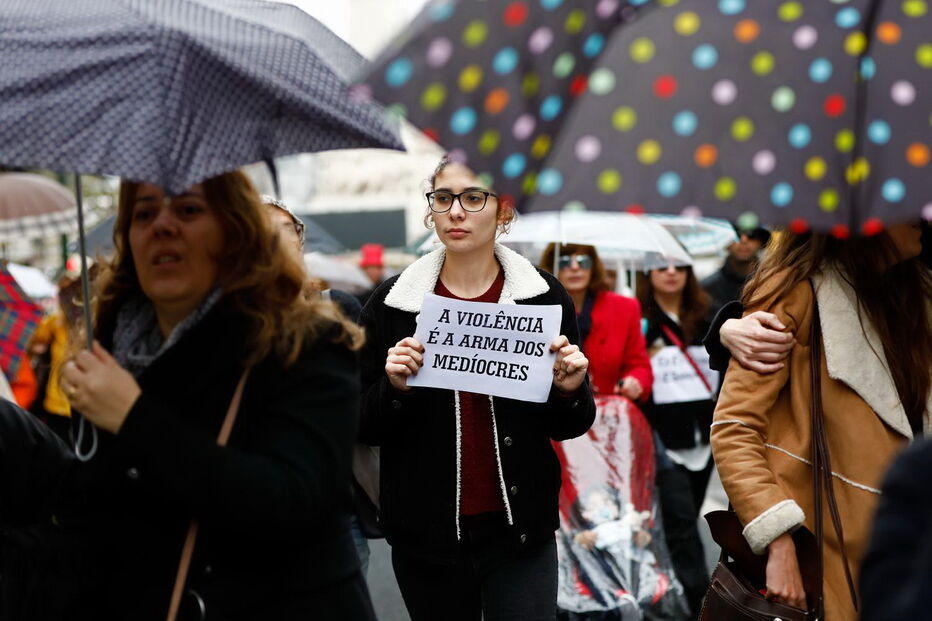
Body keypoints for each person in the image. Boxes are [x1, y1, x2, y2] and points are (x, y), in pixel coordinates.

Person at [0, 171, 376, 620]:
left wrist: (133, 415)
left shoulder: (310, 341)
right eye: (143, 213)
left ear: (234, 230)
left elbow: (290, 503)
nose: (162, 225)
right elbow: (98, 526)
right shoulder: (111, 352)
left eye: (188, 209)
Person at [358, 157, 596, 620]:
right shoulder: (391, 304)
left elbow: (570, 424)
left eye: (473, 198)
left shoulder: (544, 297)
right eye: (443, 199)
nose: (455, 212)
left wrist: (568, 390)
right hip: (425, 539)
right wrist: (393, 388)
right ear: (431, 210)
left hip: (520, 533)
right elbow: (362, 422)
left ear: (503, 210)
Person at [711, 220, 931, 619]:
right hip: (830, 552)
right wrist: (778, 540)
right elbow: (734, 429)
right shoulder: (796, 291)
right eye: (907, 203)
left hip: (910, 556)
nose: (922, 215)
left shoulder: (917, 291)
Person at [539, 244, 690, 618]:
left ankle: (667, 594)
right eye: (564, 261)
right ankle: (580, 599)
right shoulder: (536, 308)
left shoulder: (624, 308)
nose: (574, 267)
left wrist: (636, 382)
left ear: (596, 266)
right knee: (576, 519)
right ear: (550, 266)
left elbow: (641, 365)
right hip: (564, 431)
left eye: (583, 260)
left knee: (665, 507)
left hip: (618, 429)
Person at [636, 262, 717, 618]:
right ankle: (701, 599)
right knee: (682, 521)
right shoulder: (641, 319)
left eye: (679, 267)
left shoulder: (708, 315)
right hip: (664, 440)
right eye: (661, 267)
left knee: (685, 517)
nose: (670, 273)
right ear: (648, 274)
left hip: (705, 438)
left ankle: (682, 590)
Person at [700, 224, 770, 316]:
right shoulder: (706, 288)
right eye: (736, 234)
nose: (743, 240)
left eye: (752, 234)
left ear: (762, 242)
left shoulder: (773, 284)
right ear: (723, 240)